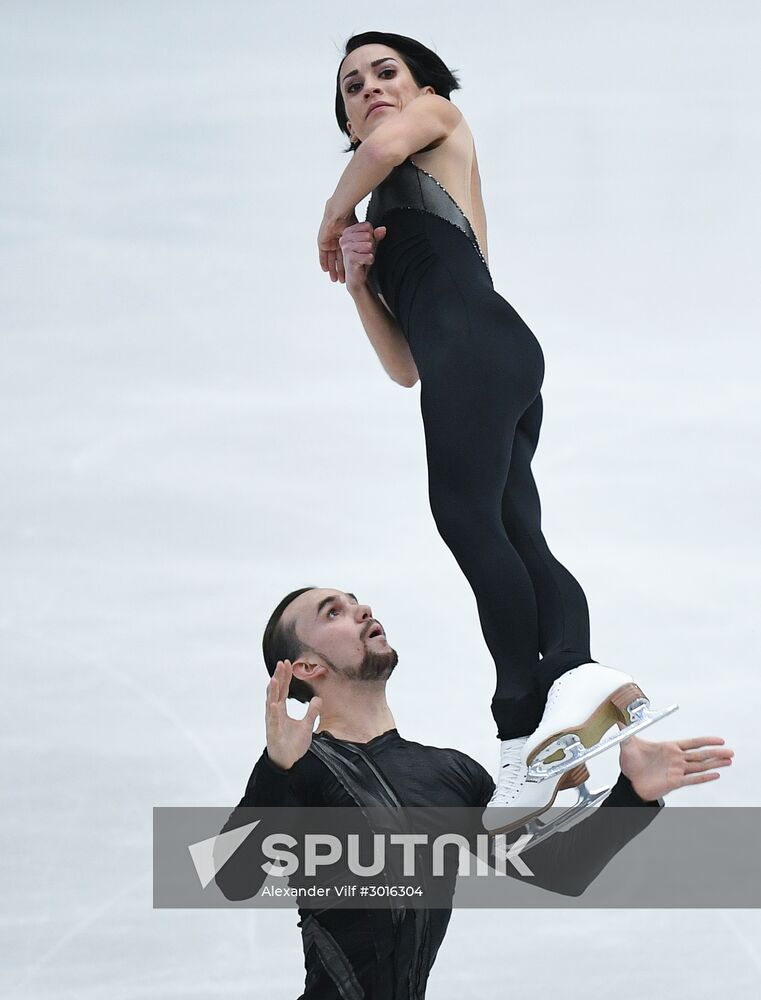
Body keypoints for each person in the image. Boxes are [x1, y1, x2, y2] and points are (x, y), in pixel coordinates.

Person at [317, 32, 678, 825]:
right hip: (477, 357)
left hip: (479, 351)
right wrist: (355, 281)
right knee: (513, 529)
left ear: (423, 86)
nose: (371, 88)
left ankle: (528, 717)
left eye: (386, 73)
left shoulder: (436, 120)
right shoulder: (386, 199)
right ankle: (563, 706)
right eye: (352, 86)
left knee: (469, 524)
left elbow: (381, 145)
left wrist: (330, 212)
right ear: (342, 118)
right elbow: (403, 367)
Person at [215, 586, 732, 1000]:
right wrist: (276, 769)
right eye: (333, 613)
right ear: (306, 668)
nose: (361, 609)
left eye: (355, 602)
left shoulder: (450, 774)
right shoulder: (301, 769)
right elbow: (230, 879)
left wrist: (633, 795)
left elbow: (560, 870)